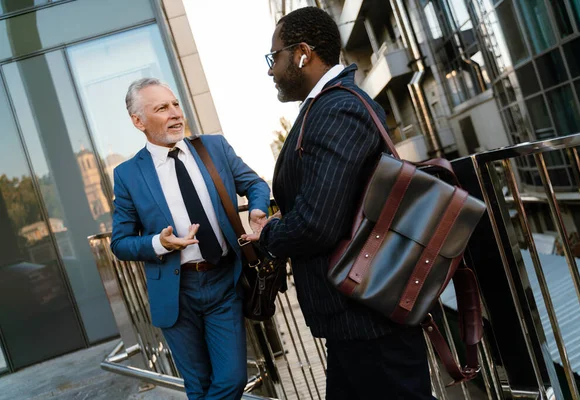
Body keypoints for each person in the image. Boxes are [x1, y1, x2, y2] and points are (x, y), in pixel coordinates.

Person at [244, 7, 434, 399]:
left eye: (273, 57)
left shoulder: (337, 109)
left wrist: (268, 235)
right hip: (355, 316)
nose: (270, 70)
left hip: (368, 321)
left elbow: (316, 222)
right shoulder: (324, 106)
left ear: (302, 53)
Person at [110, 77, 270, 400]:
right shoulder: (128, 175)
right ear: (138, 121)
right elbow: (120, 242)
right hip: (175, 292)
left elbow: (255, 184)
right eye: (161, 108)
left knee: (233, 380)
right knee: (197, 386)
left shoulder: (213, 148)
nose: (174, 113)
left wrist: (256, 209)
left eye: (175, 104)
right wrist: (159, 243)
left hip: (223, 281)